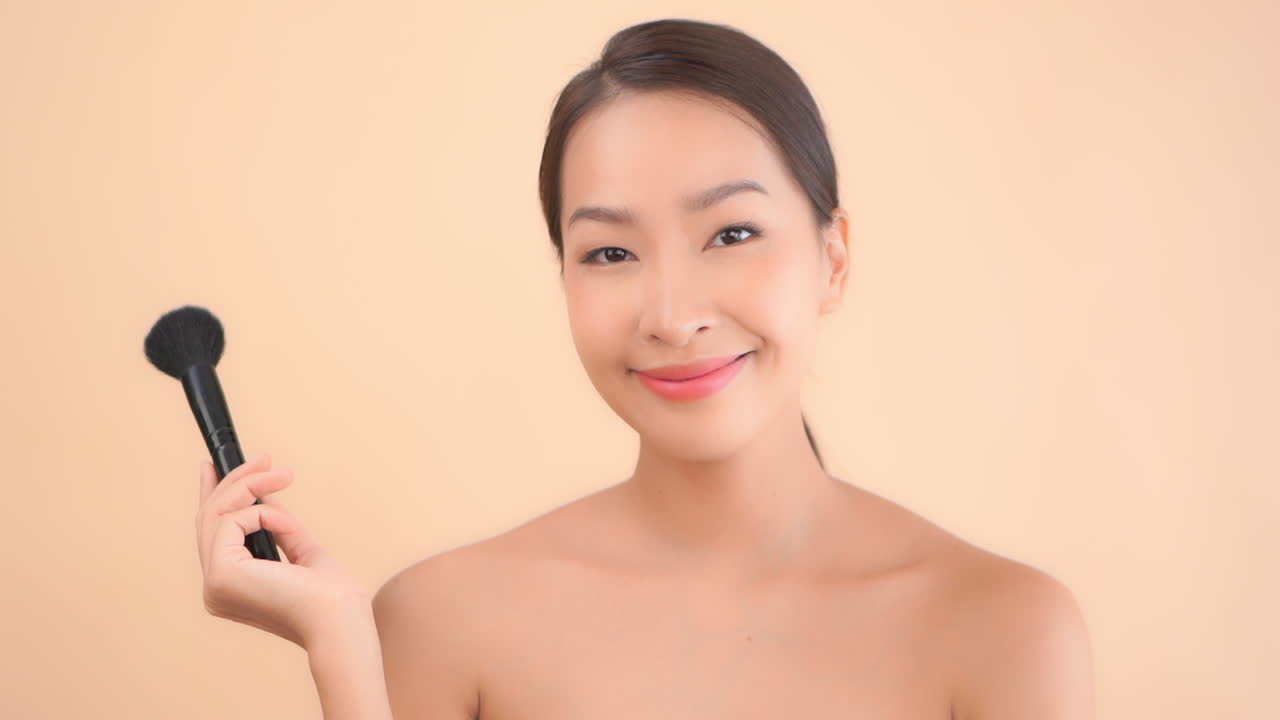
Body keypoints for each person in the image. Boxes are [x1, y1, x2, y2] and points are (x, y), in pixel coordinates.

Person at [193, 18, 1095, 720]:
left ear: (835, 257)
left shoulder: (1005, 627)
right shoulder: (440, 618)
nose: (672, 315)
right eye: (611, 254)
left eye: (733, 234)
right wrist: (338, 644)